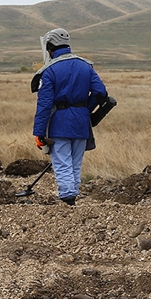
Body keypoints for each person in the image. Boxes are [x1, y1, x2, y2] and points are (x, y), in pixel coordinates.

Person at [32, 28, 108, 205]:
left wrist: (39, 132)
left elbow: (44, 105)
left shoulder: (49, 71)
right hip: (82, 123)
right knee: (74, 164)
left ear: (50, 47)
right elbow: (100, 92)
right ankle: (72, 199)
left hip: (59, 124)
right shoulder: (85, 66)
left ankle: (68, 201)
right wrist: (85, 110)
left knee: (62, 164)